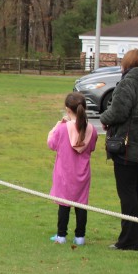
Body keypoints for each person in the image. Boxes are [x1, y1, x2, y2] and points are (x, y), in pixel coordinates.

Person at [100, 48, 138, 251]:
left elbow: (118, 111)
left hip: (128, 146)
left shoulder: (129, 83)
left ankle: (129, 240)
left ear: (128, 63)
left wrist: (104, 118)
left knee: (127, 193)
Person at [47, 92, 98, 245]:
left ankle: (61, 236)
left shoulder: (62, 128)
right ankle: (80, 237)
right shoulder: (92, 130)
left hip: (64, 173)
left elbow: (51, 144)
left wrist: (57, 126)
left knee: (64, 204)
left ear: (68, 110)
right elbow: (92, 147)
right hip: (82, 174)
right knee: (81, 205)